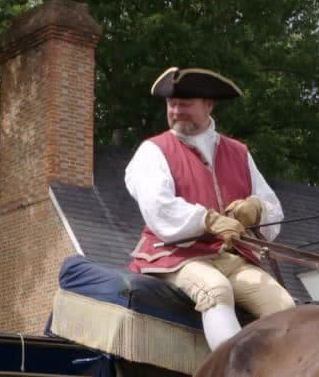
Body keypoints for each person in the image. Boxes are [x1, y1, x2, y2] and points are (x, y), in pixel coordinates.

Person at [124, 66, 295, 349]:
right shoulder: (153, 151)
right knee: (216, 290)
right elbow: (158, 207)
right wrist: (209, 220)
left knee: (284, 306)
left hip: (231, 258)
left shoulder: (238, 152)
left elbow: (272, 207)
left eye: (185, 104)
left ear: (208, 105)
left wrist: (255, 209)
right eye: (172, 104)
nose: (176, 111)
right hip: (175, 257)